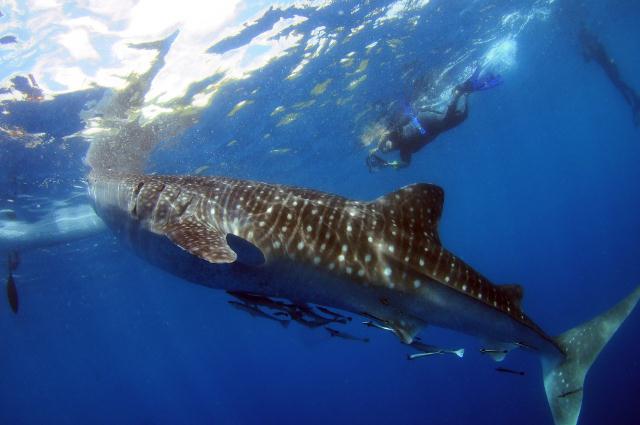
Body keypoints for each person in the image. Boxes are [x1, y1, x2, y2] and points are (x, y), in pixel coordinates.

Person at [366, 68, 502, 171]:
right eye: (387, 150)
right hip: (431, 126)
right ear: (392, 151)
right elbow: (405, 164)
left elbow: (386, 133)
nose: (387, 147)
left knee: (446, 120)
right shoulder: (404, 150)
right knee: (458, 116)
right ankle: (466, 90)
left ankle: (459, 93)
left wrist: (377, 149)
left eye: (385, 145)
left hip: (425, 120)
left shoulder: (395, 132)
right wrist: (388, 164)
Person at [579, 26, 640, 126]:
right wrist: (585, 52)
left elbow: (591, 55)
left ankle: (635, 102)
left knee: (619, 84)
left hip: (610, 67)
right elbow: (588, 59)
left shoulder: (592, 44)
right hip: (610, 67)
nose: (583, 43)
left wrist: (586, 51)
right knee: (619, 85)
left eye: (583, 40)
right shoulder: (592, 44)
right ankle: (634, 103)